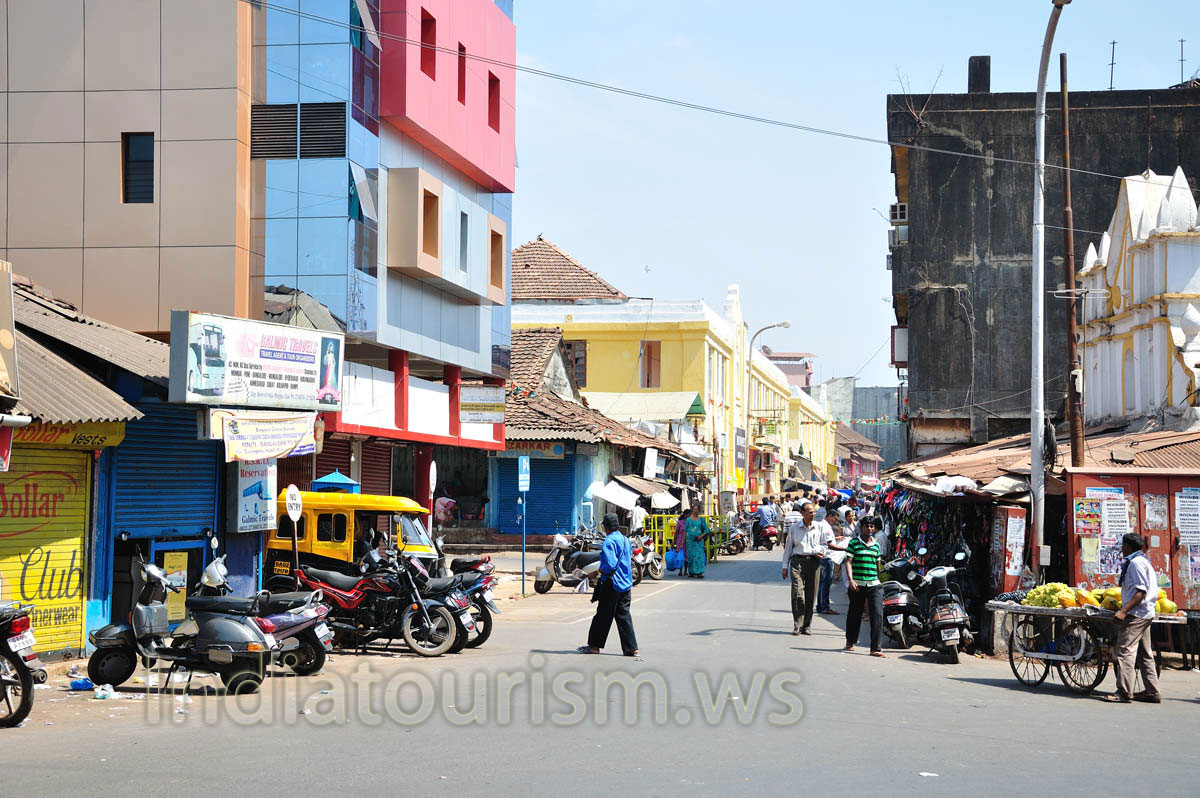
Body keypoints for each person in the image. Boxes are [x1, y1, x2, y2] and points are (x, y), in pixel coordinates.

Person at [1106, 532, 1161, 703]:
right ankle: (1152, 692)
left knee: (1125, 652)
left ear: (1128, 546)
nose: (1121, 549)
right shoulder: (1143, 560)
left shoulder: (1136, 563)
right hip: (1145, 613)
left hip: (1136, 614)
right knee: (1144, 654)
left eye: (1123, 546)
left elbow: (1140, 593)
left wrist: (1123, 611)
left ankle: (1123, 692)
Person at [579, 514, 638, 656]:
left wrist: (595, 572)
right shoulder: (625, 540)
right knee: (623, 615)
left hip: (611, 583)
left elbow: (609, 565)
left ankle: (594, 646)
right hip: (626, 583)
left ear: (606, 527)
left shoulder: (608, 542)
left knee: (602, 616)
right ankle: (631, 648)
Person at [829, 516, 886, 657]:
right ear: (861, 527)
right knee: (855, 614)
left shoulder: (876, 545)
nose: (870, 529)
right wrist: (851, 580)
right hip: (857, 585)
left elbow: (877, 565)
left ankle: (875, 649)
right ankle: (850, 642)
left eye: (872, 526)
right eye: (867, 526)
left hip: (874, 585)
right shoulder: (854, 543)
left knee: (877, 615)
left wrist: (879, 580)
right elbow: (849, 562)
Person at [780, 501, 830, 635]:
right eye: (810, 512)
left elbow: (825, 545)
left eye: (814, 512)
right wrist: (784, 566)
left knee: (811, 595)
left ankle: (806, 625)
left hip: (814, 562)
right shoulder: (795, 528)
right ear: (803, 513)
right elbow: (788, 547)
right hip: (797, 562)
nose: (813, 514)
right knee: (797, 593)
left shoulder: (819, 527)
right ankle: (797, 624)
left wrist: (821, 551)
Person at [816, 516, 847, 615]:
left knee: (822, 583)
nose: (836, 521)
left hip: (822, 556)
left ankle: (820, 606)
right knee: (825, 583)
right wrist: (844, 549)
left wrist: (835, 538)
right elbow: (829, 544)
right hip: (827, 557)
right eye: (835, 519)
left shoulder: (821, 525)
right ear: (830, 517)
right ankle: (825, 606)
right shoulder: (826, 527)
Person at [684, 505, 711, 578]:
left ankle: (699, 572)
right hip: (690, 542)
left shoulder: (701, 519)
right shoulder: (688, 520)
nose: (695, 511)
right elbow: (685, 531)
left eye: (697, 510)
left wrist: (701, 536)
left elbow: (707, 530)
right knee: (691, 556)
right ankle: (691, 572)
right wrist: (683, 541)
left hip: (698, 541)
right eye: (694, 510)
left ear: (699, 511)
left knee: (699, 557)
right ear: (692, 510)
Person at [673, 511, 689, 577]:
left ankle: (685, 570)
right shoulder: (680, 522)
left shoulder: (690, 522)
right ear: (685, 515)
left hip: (688, 541)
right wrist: (674, 541)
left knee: (686, 556)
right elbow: (676, 532)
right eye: (689, 514)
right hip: (680, 541)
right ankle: (680, 570)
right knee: (681, 556)